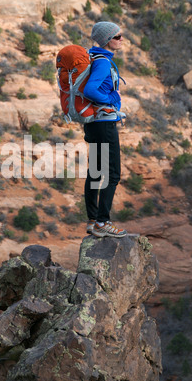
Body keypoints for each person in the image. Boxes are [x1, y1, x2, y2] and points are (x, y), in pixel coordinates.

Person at [83, 21, 127, 238]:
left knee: (95, 171)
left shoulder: (95, 57)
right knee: (113, 173)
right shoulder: (102, 62)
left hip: (92, 123)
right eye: (118, 36)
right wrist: (110, 101)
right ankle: (103, 221)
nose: (121, 39)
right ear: (107, 39)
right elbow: (91, 89)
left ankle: (92, 220)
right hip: (104, 122)